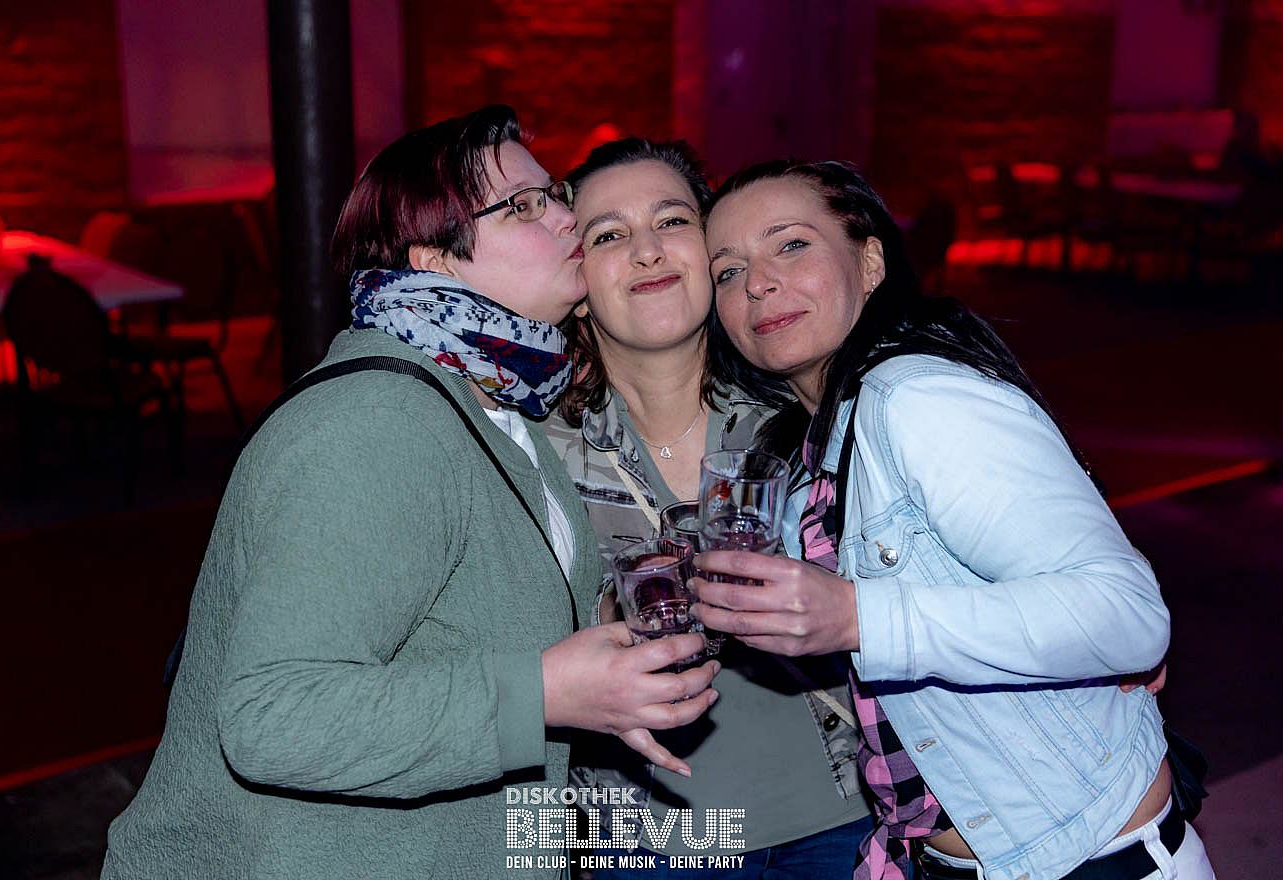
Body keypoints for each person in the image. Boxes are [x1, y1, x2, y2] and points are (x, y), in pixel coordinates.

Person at [100, 106, 718, 880]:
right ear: (434, 263)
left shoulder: (499, 409)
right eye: (525, 207)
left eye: (556, 194)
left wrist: (601, 662)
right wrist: (542, 694)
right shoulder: (377, 417)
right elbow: (272, 716)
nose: (567, 218)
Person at [693, 160, 1213, 880]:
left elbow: (1126, 614)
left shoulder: (916, 398)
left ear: (869, 262)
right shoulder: (816, 445)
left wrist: (859, 617)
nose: (757, 283)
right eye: (728, 271)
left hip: (1091, 860)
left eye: (791, 245)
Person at [544, 138, 875, 878]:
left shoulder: (806, 409)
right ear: (577, 281)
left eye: (672, 221)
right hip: (641, 843)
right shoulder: (533, 454)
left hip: (849, 822)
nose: (648, 251)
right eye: (609, 235)